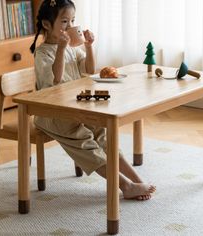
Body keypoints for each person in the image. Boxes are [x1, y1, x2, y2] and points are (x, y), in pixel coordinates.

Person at [30, 0, 155, 200]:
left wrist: (88, 47)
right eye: (64, 22)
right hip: (52, 113)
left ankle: (136, 179)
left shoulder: (71, 48)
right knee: (84, 142)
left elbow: (89, 69)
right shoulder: (43, 53)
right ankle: (125, 185)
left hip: (75, 105)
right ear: (46, 24)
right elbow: (54, 79)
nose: (70, 27)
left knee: (103, 133)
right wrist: (61, 48)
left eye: (72, 21)